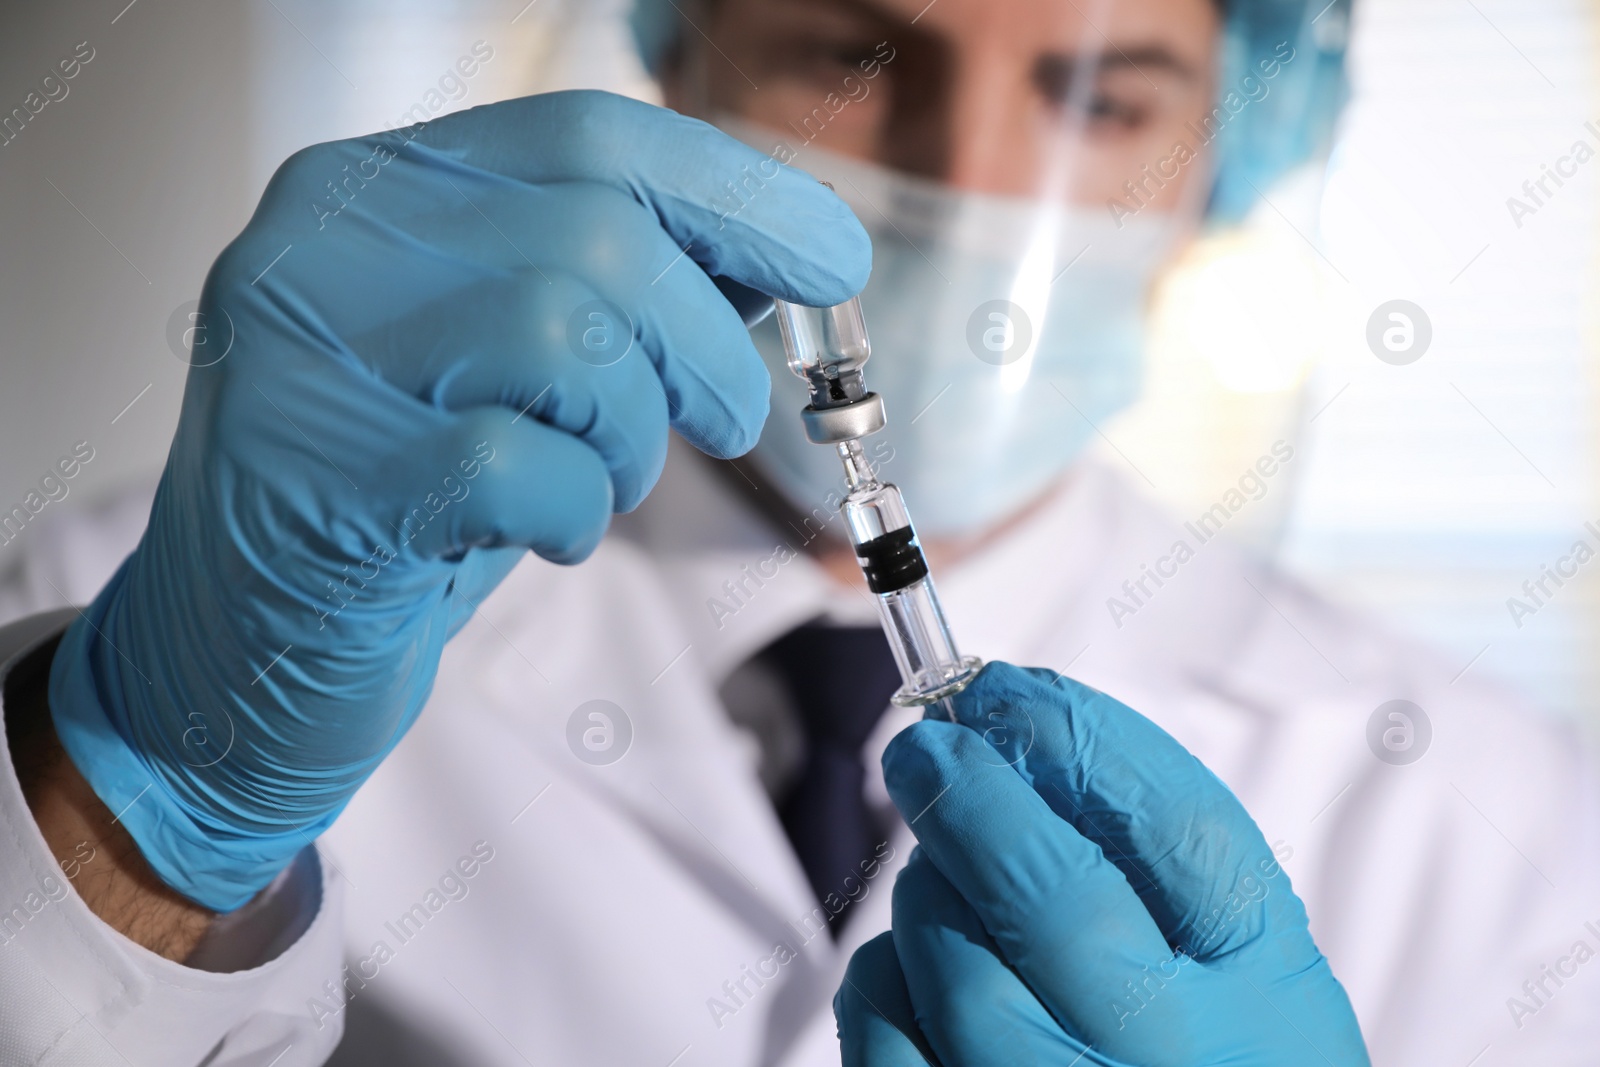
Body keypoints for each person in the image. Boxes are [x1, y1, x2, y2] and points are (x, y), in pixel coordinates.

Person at [0, 0, 1594, 1063]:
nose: (970, 187)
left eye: (1103, 97)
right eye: (851, 51)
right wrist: (146, 813)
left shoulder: (1482, 808)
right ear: (674, 47)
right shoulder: (152, 617)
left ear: (1235, 150)